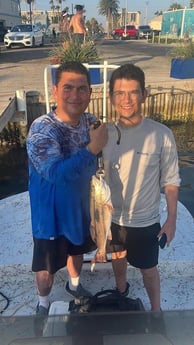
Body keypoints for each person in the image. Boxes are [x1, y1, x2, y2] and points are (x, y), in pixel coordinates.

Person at [26, 61, 108, 317]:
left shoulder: (91, 122)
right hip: (49, 215)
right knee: (46, 268)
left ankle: (74, 285)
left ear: (90, 93)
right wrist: (92, 149)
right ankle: (43, 301)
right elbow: (56, 174)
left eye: (82, 88)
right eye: (68, 88)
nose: (75, 95)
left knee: (76, 250)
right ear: (54, 90)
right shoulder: (41, 129)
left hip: (81, 208)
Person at [103, 63, 180, 311]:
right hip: (112, 218)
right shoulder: (102, 134)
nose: (126, 100)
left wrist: (171, 220)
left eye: (133, 92)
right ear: (111, 96)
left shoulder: (162, 134)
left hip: (146, 222)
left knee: (149, 270)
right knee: (117, 261)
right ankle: (121, 290)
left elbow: (170, 180)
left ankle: (156, 310)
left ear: (144, 94)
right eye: (119, 93)